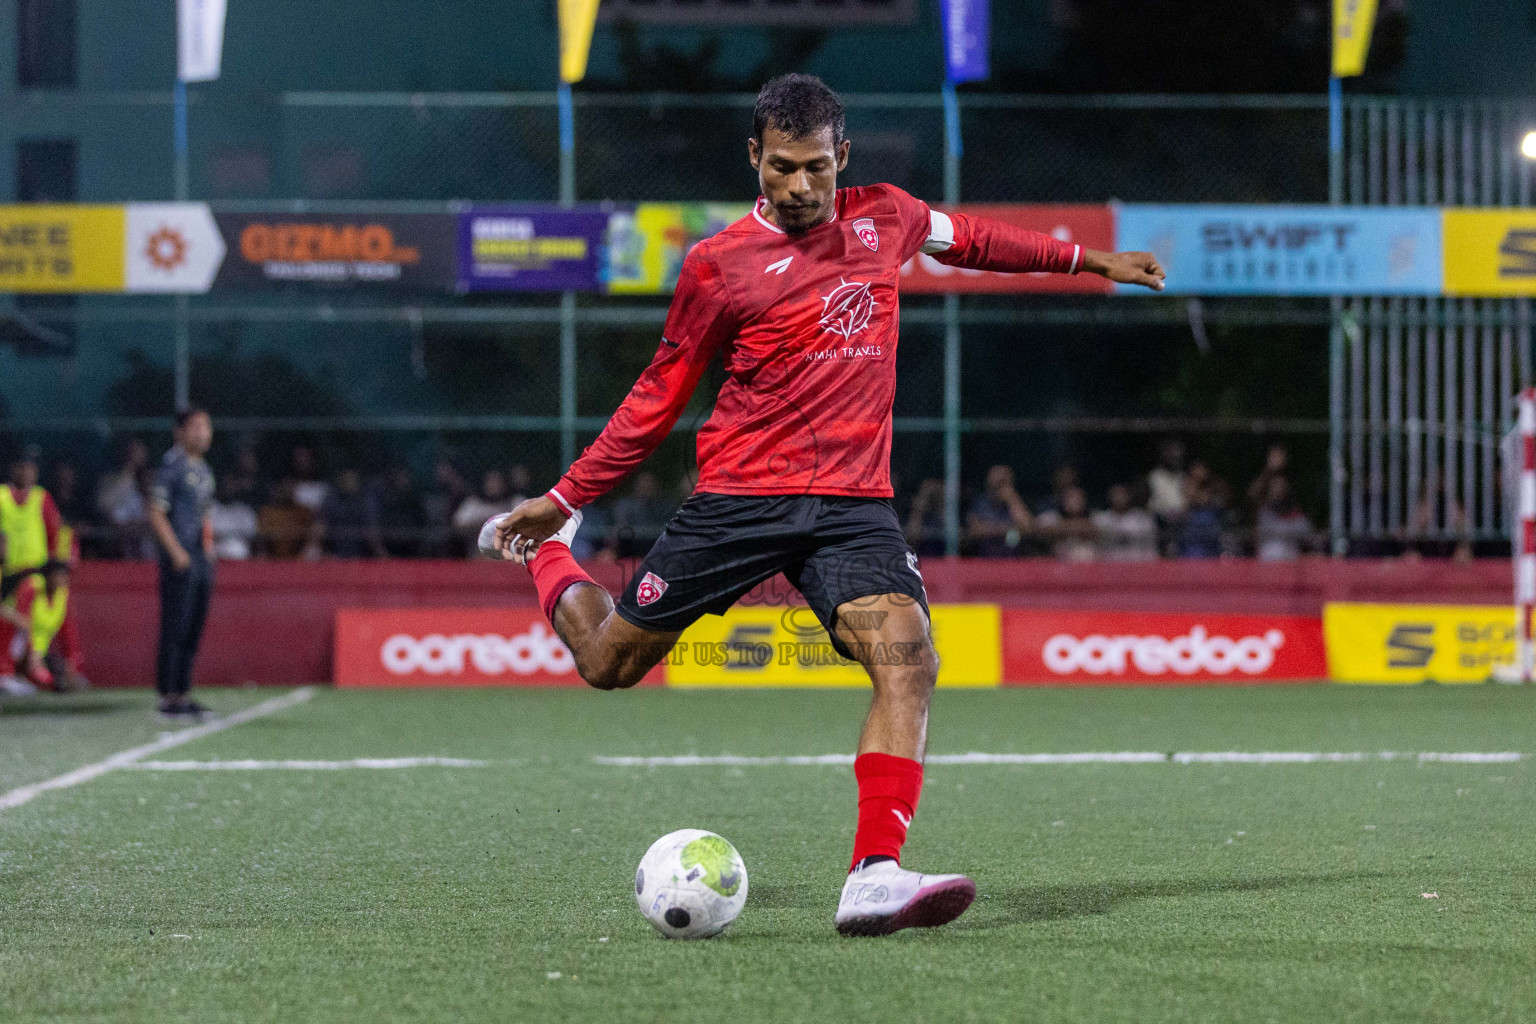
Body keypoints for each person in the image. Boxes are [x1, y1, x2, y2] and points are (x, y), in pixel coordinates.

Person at [481, 75, 1165, 937]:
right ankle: (546, 551)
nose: (798, 188)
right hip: (739, 499)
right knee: (609, 662)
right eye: (779, 169)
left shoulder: (888, 216)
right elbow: (660, 392)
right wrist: (563, 499)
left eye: (814, 168)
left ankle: (873, 874)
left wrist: (1090, 262)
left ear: (842, 156)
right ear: (754, 161)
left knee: (908, 659)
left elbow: (974, 241)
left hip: (851, 507)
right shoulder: (717, 264)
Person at [147, 408, 217, 720]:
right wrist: (176, 552)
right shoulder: (170, 468)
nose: (205, 433)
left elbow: (203, 513)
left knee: (194, 625)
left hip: (200, 555)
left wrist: (209, 545)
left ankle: (184, 691)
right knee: (175, 625)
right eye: (197, 427)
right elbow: (156, 512)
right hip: (180, 555)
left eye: (207, 427)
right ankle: (168, 695)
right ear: (181, 432)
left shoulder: (202, 469)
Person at [966, 465, 1033, 558]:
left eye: (1001, 484)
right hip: (985, 560)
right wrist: (1011, 530)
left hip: (1013, 560)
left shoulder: (1015, 502)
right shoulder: (980, 503)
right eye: (993, 484)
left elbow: (1028, 528)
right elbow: (975, 531)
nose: (997, 489)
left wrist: (1012, 499)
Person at [1253, 475, 1316, 561]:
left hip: (1291, 552)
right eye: (1275, 486)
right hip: (1269, 553)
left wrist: (1283, 531)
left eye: (1282, 486)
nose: (1278, 489)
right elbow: (1262, 533)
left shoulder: (1294, 510)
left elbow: (1306, 532)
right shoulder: (1264, 510)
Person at [1092, 483, 1158, 561]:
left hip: (1136, 561)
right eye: (1116, 495)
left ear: (1129, 497)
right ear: (1110, 497)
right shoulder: (1101, 519)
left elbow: (1150, 545)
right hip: (1109, 562)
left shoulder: (1142, 518)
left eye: (1122, 494)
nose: (1119, 498)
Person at [1034, 484, 1098, 561]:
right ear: (1061, 500)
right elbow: (1035, 530)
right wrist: (1074, 527)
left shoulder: (1096, 517)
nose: (1073, 501)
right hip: (1058, 563)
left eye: (1077, 498)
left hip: (1092, 564)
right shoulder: (1051, 517)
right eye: (1069, 497)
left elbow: (1099, 529)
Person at [256, 478, 316, 559]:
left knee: (313, 552)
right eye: (283, 490)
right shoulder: (267, 512)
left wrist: (296, 534)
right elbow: (262, 534)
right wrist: (277, 534)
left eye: (289, 489)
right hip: (271, 555)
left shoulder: (303, 511)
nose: (286, 492)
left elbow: (311, 531)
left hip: (299, 554)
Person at [318, 468, 370, 558]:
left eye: (353, 479)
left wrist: (379, 554)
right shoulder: (331, 500)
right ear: (341, 481)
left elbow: (371, 531)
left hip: (361, 555)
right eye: (348, 479)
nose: (351, 482)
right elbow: (320, 526)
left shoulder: (364, 502)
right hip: (334, 554)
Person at [903, 478, 946, 557]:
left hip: (943, 559)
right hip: (920, 558)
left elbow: (957, 538)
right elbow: (912, 536)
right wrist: (923, 497)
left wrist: (941, 503)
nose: (931, 498)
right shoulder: (913, 516)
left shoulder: (939, 516)